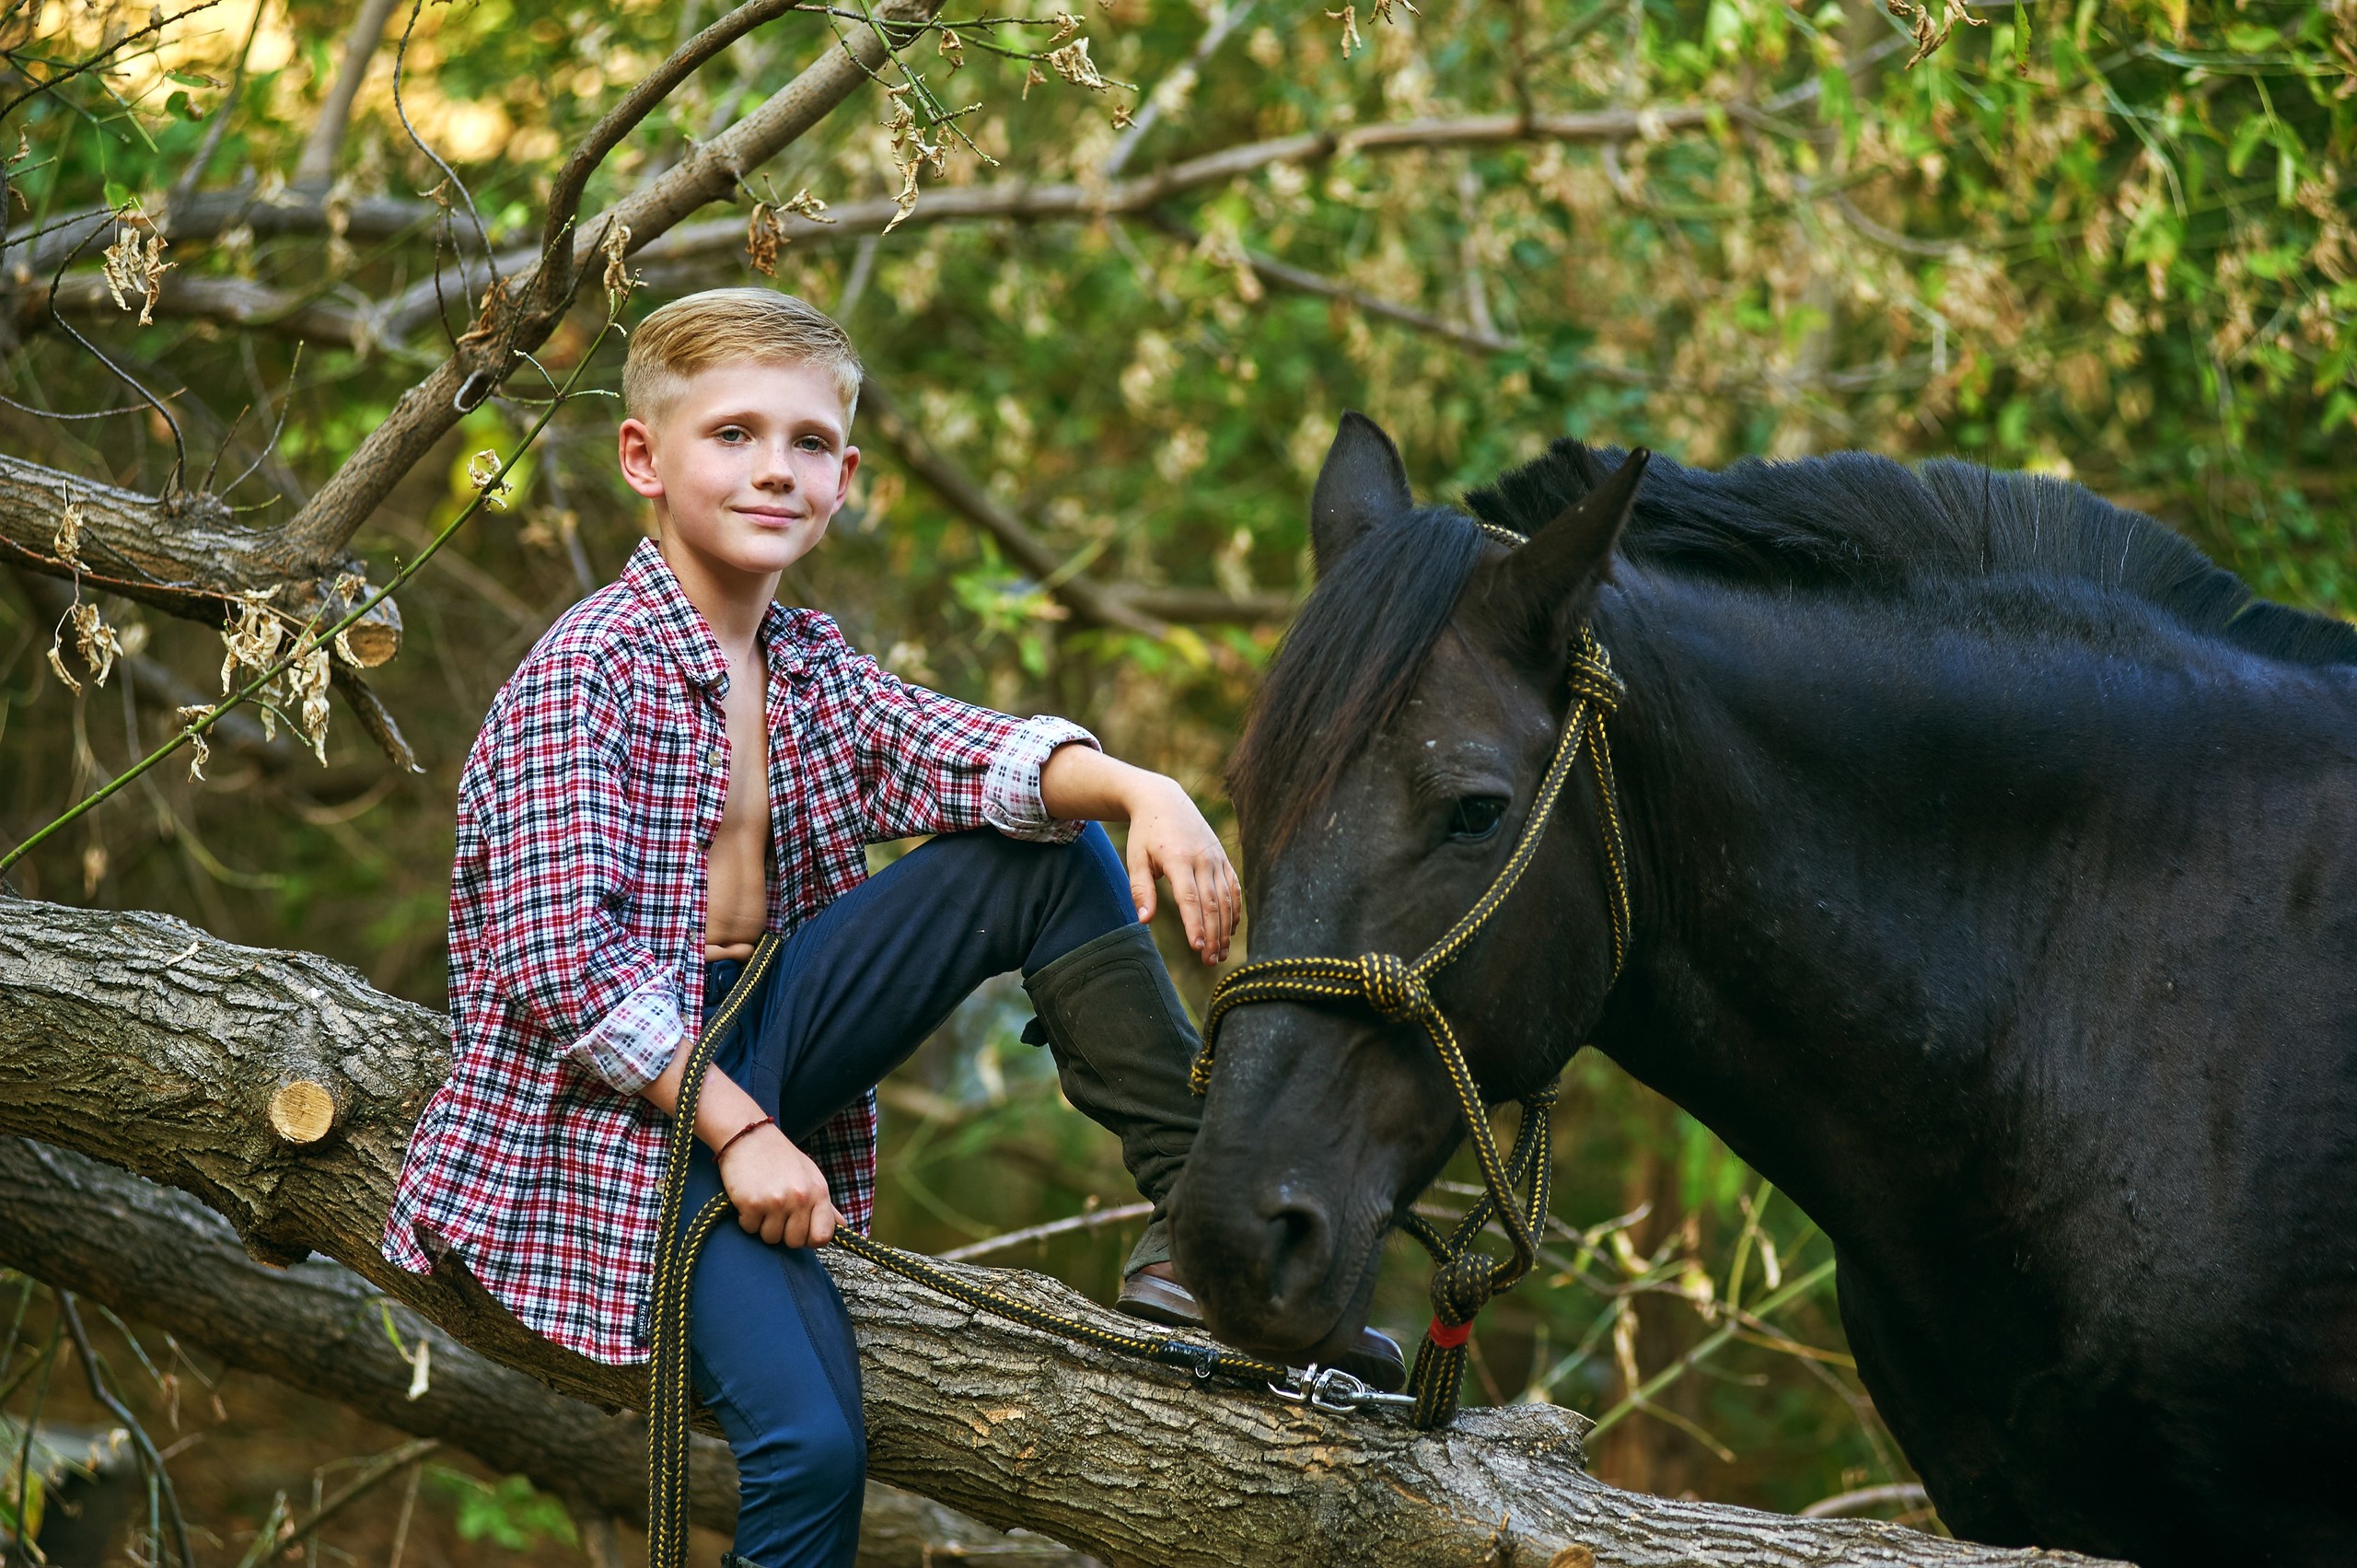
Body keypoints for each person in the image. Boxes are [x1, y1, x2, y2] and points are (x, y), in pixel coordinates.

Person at [380, 288, 1400, 1568]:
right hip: (629, 1106)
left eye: (808, 443)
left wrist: (1148, 787)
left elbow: (970, 756)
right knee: (811, 1446)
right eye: (733, 435)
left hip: (766, 1026)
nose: (775, 470)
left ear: (846, 475)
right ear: (644, 458)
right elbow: (559, 968)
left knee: (1050, 846)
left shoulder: (809, 667)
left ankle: (1207, 1231)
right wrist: (745, 1137)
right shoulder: (585, 669)